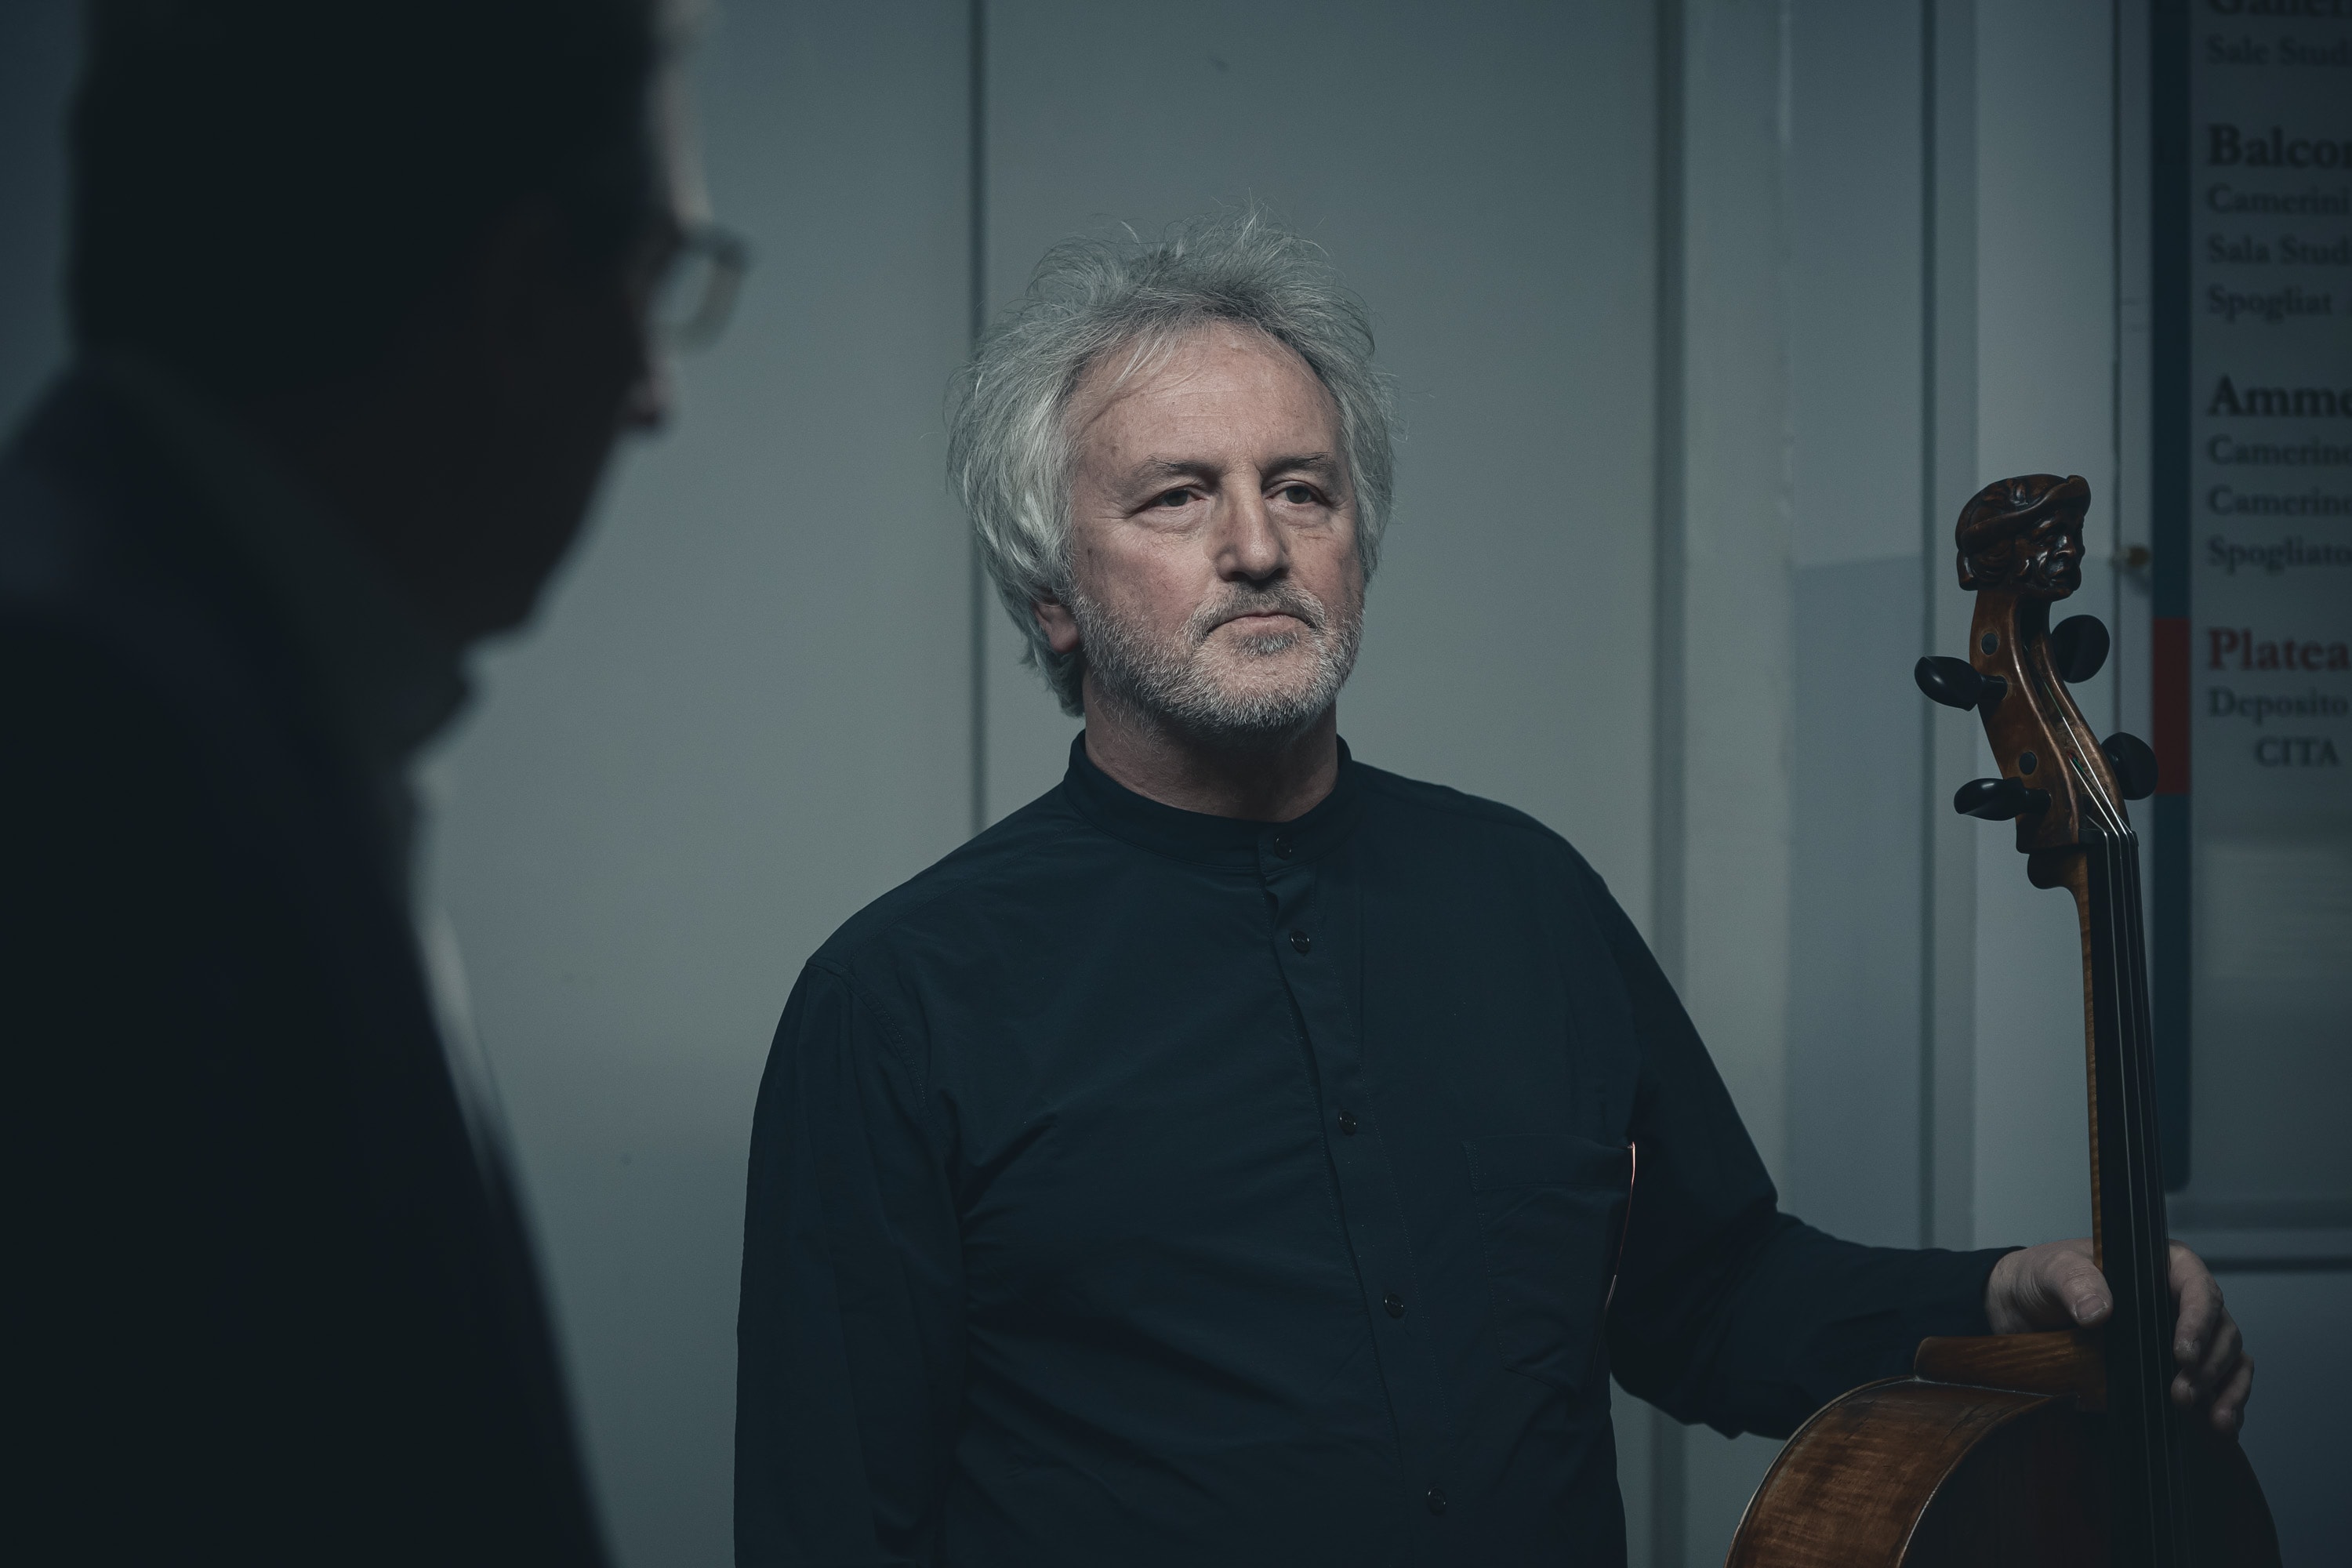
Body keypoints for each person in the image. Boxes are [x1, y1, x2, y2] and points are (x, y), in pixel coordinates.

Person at [733, 212, 2252, 1566]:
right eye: (1178, 497)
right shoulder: (899, 998)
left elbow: (1707, 1297)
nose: (1258, 546)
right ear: (1053, 595)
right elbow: (835, 1521)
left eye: (1303, 489)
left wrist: (2002, 1291)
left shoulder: (1527, 896)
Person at [2, 2, 740, 1561]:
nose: (657, 397)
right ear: (520, 292)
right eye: (654, 278)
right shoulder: (81, 763)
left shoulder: (206, 699)